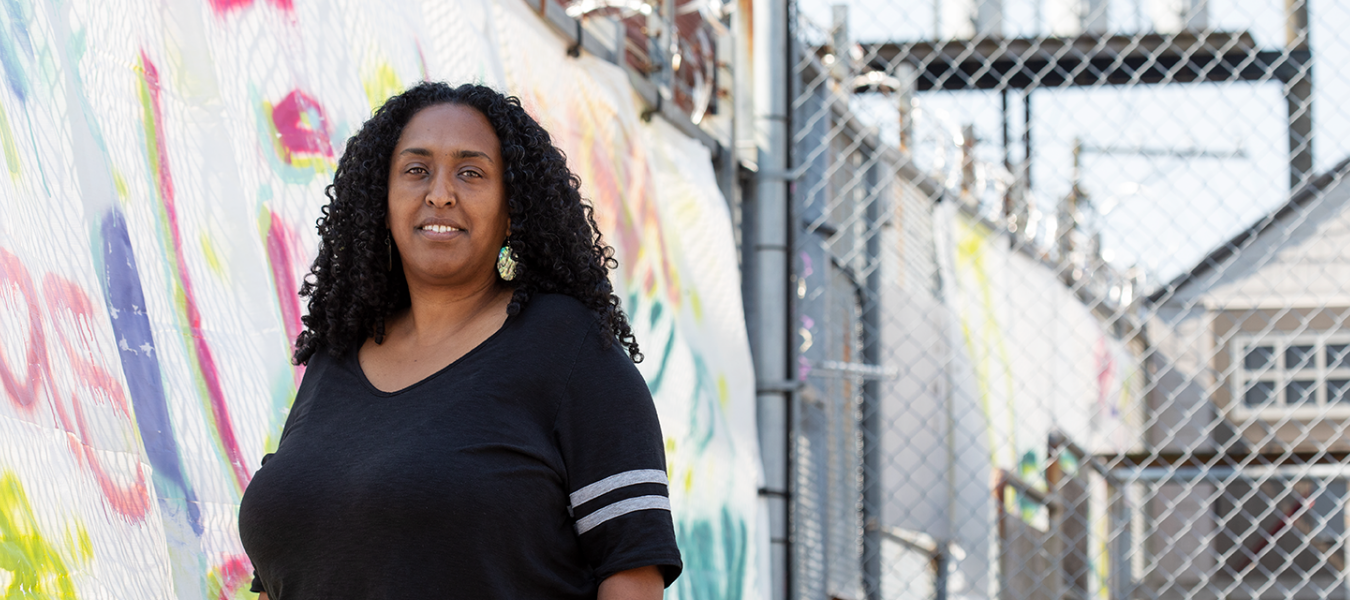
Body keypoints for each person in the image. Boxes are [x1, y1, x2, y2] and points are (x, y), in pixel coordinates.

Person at [238, 82, 682, 600]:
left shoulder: (570, 348)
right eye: (416, 170)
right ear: (381, 200)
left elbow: (632, 575)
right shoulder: (335, 361)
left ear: (512, 209)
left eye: (471, 172)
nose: (440, 193)